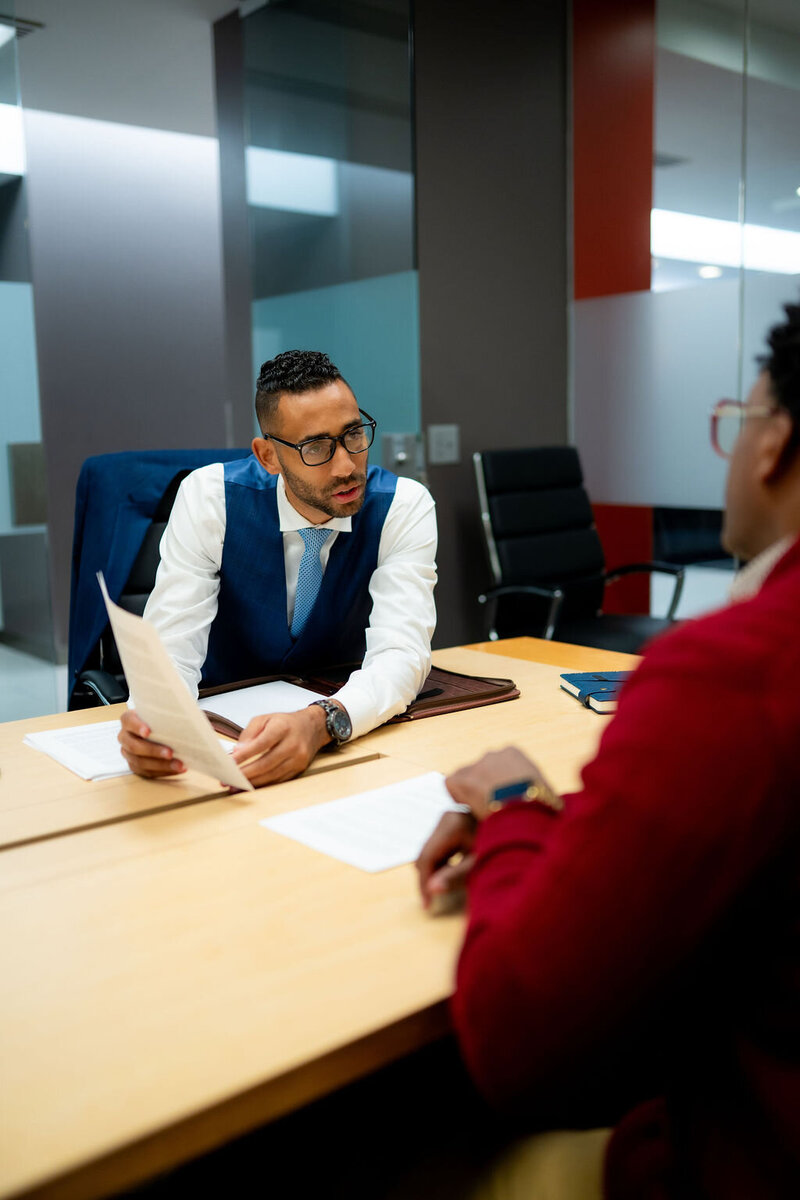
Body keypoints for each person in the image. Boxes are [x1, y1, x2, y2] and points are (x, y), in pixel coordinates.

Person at [417, 301, 800, 1198]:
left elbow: (518, 1046)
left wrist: (513, 811)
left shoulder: (732, 678)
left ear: (774, 443)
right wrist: (589, 817)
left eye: (735, 424)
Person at [119, 350, 437, 787]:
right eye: (316, 447)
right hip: (225, 737)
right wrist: (156, 723)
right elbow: (171, 644)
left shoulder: (403, 505)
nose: (346, 466)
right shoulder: (210, 499)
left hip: (348, 734)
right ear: (268, 456)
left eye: (354, 435)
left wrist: (322, 723)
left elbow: (402, 652)